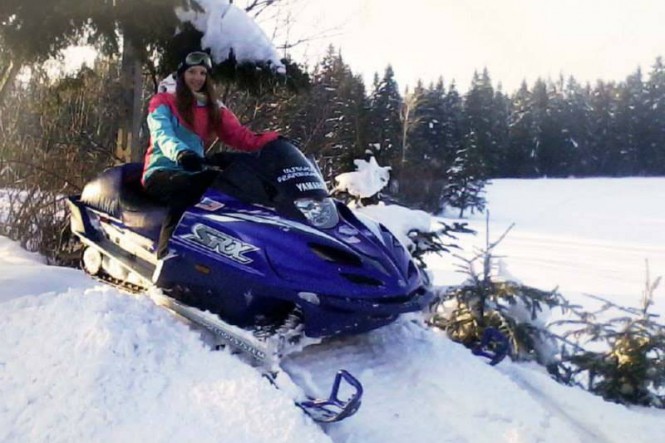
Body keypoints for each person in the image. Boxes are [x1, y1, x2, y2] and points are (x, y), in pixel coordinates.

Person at [142, 51, 279, 258]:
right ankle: (166, 253)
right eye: (192, 72)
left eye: (202, 73)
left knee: (230, 185)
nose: (197, 78)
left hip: (192, 169)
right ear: (181, 74)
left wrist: (274, 141)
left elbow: (240, 136)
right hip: (161, 170)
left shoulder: (212, 107)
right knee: (188, 190)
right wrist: (181, 153)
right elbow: (162, 134)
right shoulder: (163, 101)